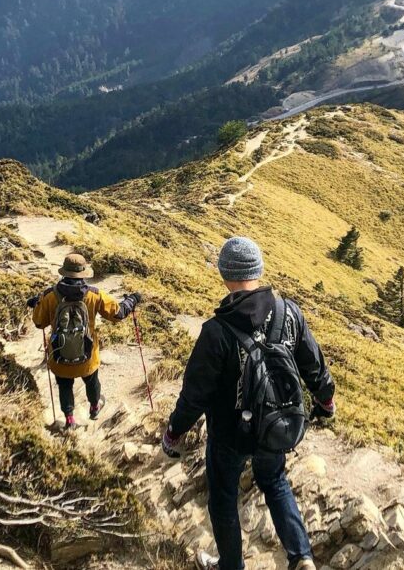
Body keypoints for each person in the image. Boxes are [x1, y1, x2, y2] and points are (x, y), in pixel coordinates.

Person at [162, 237, 335, 570]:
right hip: (276, 425)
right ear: (259, 269)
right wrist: (325, 400)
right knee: (274, 482)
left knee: (224, 499)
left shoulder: (216, 331)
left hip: (229, 435)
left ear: (224, 273)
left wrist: (174, 432)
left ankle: (231, 566)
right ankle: (302, 557)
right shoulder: (289, 313)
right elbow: (314, 365)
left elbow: (194, 394)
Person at [28, 253, 141, 429]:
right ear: (83, 273)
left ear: (64, 272)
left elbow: (38, 323)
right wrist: (132, 300)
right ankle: (95, 407)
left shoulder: (50, 296)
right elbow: (118, 314)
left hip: (59, 355)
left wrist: (37, 303)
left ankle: (69, 419)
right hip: (88, 354)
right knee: (92, 381)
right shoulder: (94, 295)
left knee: (64, 385)